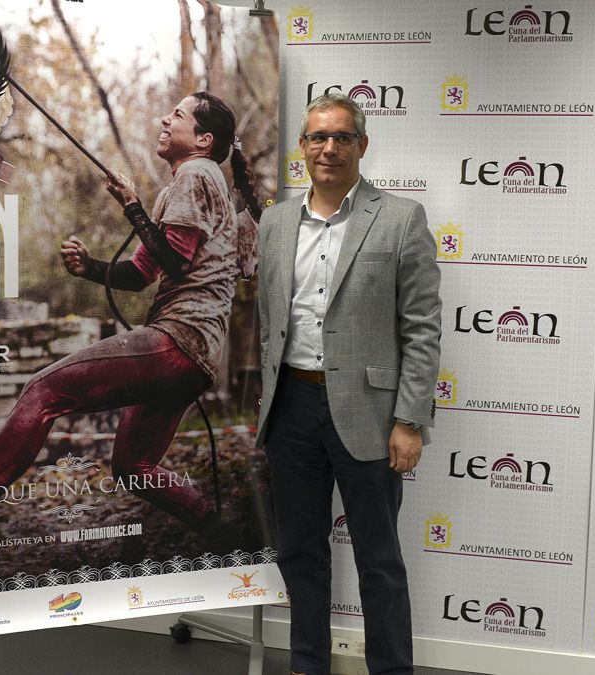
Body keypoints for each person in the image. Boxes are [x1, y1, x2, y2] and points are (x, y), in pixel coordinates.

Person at [0, 92, 259, 554]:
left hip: (178, 340)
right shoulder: (194, 183)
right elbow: (142, 274)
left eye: (177, 115)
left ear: (203, 139)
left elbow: (176, 264)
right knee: (133, 465)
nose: (164, 118)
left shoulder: (196, 174)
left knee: (42, 391)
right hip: (196, 357)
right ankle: (225, 538)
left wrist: (131, 206)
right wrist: (91, 268)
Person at [255, 93, 441, 675]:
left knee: (379, 560)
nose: (327, 148)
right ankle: (308, 665)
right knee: (301, 554)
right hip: (291, 409)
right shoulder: (276, 220)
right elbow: (267, 321)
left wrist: (410, 421)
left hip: (370, 414)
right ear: (302, 148)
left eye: (340, 137)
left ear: (361, 145)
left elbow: (422, 329)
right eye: (317, 137)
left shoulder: (400, 218)